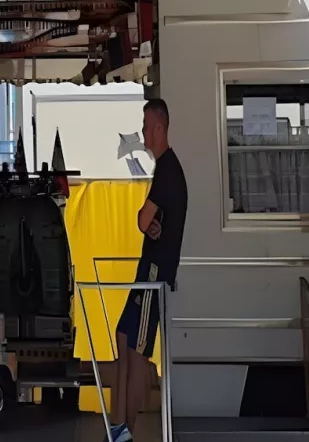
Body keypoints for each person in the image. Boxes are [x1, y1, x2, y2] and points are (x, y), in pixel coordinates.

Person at [108, 99, 188, 442]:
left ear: (158, 127)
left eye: (145, 126)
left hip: (155, 274)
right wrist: (153, 224)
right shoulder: (165, 171)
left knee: (138, 349)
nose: (142, 133)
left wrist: (148, 222)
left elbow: (143, 218)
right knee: (124, 336)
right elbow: (152, 222)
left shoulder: (169, 168)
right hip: (148, 268)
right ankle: (118, 425)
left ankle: (126, 430)